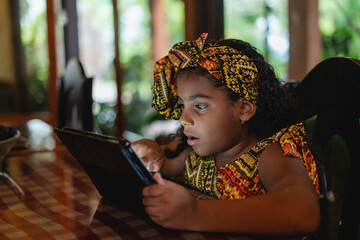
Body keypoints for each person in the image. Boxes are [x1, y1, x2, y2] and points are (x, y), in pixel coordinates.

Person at [132, 33, 321, 238]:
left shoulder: (270, 154)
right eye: (182, 106)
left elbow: (302, 212)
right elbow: (163, 162)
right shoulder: (195, 154)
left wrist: (193, 213)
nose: (183, 118)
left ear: (244, 109)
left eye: (200, 106)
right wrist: (149, 150)